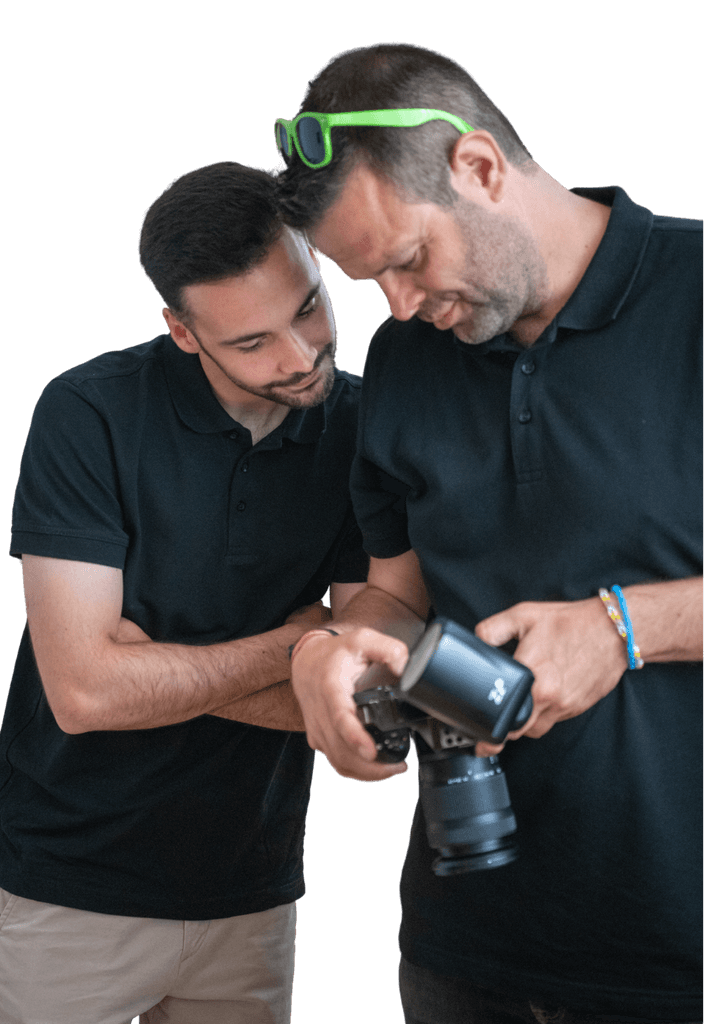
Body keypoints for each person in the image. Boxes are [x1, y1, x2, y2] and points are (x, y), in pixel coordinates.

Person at [277, 43, 703, 1024]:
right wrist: (329, 650)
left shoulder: (699, 292)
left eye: (409, 259)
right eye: (368, 280)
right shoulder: (406, 357)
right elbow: (396, 588)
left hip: (681, 957)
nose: (401, 306)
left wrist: (624, 626)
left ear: (478, 167)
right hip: (461, 953)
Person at [0, 161, 368, 1024]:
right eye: (252, 342)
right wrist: (298, 647)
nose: (301, 357)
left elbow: (356, 691)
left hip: (253, 896)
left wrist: (146, 667)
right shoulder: (88, 414)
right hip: (70, 894)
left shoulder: (362, 431)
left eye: (306, 306)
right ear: (185, 334)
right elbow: (82, 694)